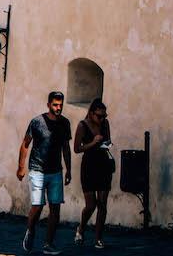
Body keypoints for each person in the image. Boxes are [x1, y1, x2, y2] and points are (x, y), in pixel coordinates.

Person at [18, 91, 72, 255]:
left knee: (55, 208)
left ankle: (48, 244)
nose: (58, 108)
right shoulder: (37, 122)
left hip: (56, 171)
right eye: (55, 105)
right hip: (37, 169)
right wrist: (21, 166)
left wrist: (69, 169)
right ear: (48, 104)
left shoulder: (65, 123)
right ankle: (31, 229)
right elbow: (26, 143)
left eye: (60, 105)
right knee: (38, 205)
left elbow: (66, 147)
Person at [74, 98, 113, 249]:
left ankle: (98, 238)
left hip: (103, 165)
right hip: (89, 167)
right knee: (90, 205)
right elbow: (77, 149)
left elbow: (108, 142)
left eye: (104, 116)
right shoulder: (82, 125)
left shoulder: (105, 124)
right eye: (99, 116)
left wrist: (105, 143)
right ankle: (81, 228)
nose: (102, 119)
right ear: (91, 114)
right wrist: (93, 142)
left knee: (102, 203)